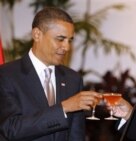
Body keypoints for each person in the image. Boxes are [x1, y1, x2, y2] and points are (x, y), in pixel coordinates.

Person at [0, 7, 101, 141]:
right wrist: (63, 108)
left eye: (69, 40)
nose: (67, 47)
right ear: (37, 35)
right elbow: (11, 129)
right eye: (60, 39)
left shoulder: (73, 79)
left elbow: (76, 135)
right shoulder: (7, 75)